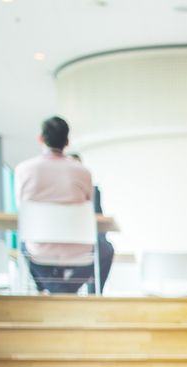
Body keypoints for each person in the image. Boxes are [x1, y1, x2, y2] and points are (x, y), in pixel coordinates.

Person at [14, 116, 114, 293]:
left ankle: (54, 290)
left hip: (39, 249)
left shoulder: (24, 170)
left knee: (24, 244)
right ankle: (71, 292)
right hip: (79, 248)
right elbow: (87, 206)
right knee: (105, 249)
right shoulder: (83, 172)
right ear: (67, 142)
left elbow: (22, 208)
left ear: (41, 138)